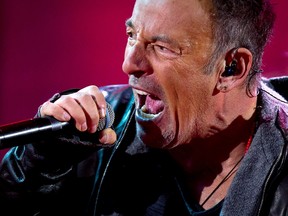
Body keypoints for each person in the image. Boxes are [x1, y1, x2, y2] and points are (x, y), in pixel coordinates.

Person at [0, 0, 288, 215]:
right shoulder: (92, 130)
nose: (129, 64)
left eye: (163, 48)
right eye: (131, 35)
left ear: (231, 68)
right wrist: (43, 161)